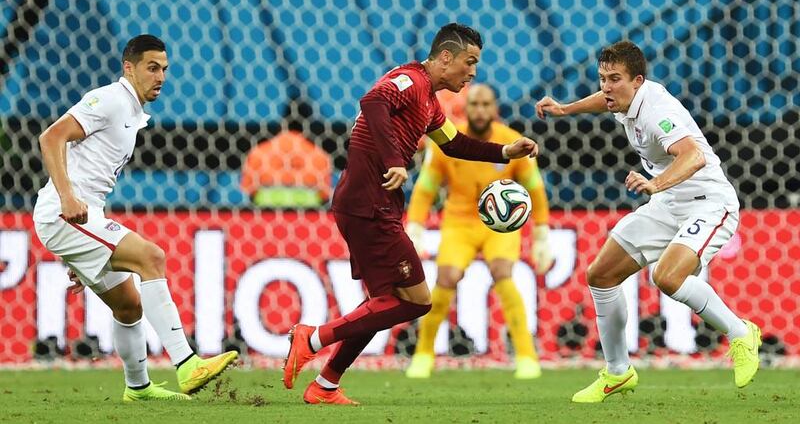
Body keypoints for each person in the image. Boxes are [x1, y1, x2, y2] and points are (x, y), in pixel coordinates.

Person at [282, 23, 539, 405]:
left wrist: (503, 153)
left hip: (368, 204)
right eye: (469, 62)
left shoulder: (430, 102)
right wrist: (393, 162)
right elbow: (372, 101)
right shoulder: (410, 80)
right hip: (369, 205)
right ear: (446, 57)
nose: (473, 72)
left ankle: (326, 385)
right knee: (418, 299)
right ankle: (313, 337)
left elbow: (453, 144)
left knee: (382, 302)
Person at [535, 41, 760, 403]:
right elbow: (603, 101)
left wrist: (654, 183)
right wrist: (565, 109)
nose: (606, 87)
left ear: (637, 80)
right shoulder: (625, 100)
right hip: (668, 202)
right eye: (602, 78)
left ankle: (740, 333)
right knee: (601, 275)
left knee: (668, 277)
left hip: (708, 204)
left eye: (615, 80)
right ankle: (618, 372)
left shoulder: (657, 109)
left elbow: (694, 156)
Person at [33, 35, 238, 402]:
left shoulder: (131, 111)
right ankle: (187, 363)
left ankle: (138, 387)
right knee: (151, 257)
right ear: (129, 68)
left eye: (164, 69)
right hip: (63, 212)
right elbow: (51, 138)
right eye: (152, 67)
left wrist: (81, 251)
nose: (160, 77)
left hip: (81, 217)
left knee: (128, 304)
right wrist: (67, 196)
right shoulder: (110, 99)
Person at [404, 84, 553, 380]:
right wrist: (416, 226)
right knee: (446, 279)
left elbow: (535, 189)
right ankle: (423, 354)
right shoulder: (446, 141)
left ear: (495, 108)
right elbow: (425, 188)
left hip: (499, 226)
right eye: (474, 104)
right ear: (466, 107)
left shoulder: (512, 143)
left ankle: (526, 355)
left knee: (503, 273)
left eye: (486, 104)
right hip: (459, 222)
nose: (480, 110)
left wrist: (541, 234)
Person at [240, 101, 332, 208]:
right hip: (306, 209)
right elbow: (325, 194)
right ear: (308, 123)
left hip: (267, 208)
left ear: (283, 120)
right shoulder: (318, 154)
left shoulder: (260, 151)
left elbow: (248, 189)